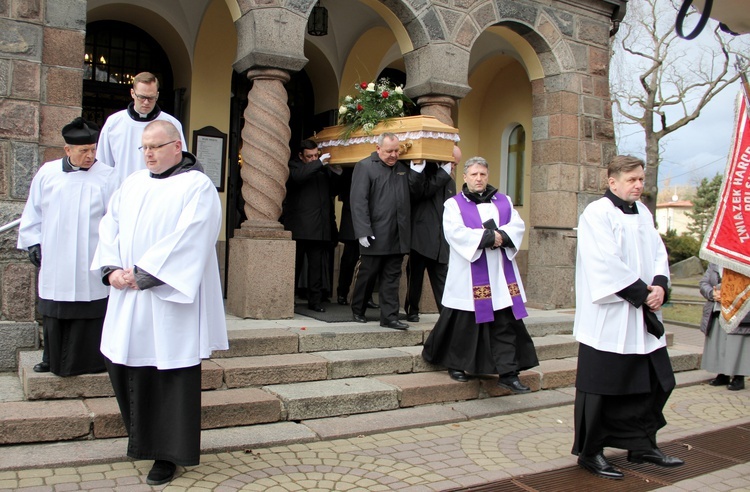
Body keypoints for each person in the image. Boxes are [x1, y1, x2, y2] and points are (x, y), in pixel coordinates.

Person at [91, 120, 228, 486]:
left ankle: (168, 455)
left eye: (155, 146)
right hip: (127, 297)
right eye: (144, 148)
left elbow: (193, 235)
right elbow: (110, 226)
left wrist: (145, 274)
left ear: (177, 145)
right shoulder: (132, 183)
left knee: (169, 374)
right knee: (126, 363)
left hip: (168, 301)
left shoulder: (197, 185)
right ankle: (142, 441)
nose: (148, 154)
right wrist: (110, 270)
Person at [572, 155, 683, 480]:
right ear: (613, 182)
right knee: (603, 387)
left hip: (643, 316)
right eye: (632, 179)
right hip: (612, 316)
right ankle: (591, 453)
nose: (638, 185)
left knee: (656, 382)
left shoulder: (644, 213)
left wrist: (661, 285)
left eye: (640, 179)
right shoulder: (597, 214)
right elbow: (604, 261)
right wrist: (641, 293)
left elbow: (658, 252)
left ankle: (642, 443)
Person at [422, 156, 538, 391]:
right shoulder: (454, 204)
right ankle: (456, 364)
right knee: (463, 323)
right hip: (468, 273)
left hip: (500, 275)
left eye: (482, 174)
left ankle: (508, 372)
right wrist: (488, 237)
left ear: (487, 176)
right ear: (465, 177)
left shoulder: (503, 201)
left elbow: (517, 226)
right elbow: (454, 233)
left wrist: (502, 237)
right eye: (474, 174)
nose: (478, 178)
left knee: (505, 322)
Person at [17, 117, 116, 376]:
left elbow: (115, 218)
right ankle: (50, 357)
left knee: (90, 307)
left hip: (90, 256)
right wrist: (32, 242)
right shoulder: (47, 173)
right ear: (67, 150)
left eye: (93, 149)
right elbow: (34, 210)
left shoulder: (107, 176)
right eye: (84, 151)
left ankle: (92, 360)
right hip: (56, 254)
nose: (90, 156)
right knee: (55, 309)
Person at [349, 132, 424, 329]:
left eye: (396, 151)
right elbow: (358, 201)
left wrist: (417, 170)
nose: (393, 155)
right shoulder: (365, 167)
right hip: (375, 233)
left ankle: (389, 317)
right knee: (368, 274)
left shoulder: (402, 169)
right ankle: (358, 308)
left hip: (397, 234)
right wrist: (362, 230)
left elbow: (415, 194)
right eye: (389, 151)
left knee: (392, 277)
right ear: (378, 149)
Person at [96, 71, 186, 186]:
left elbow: (180, 163)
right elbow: (103, 165)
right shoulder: (114, 123)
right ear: (132, 93)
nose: (146, 102)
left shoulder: (171, 124)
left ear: (157, 95)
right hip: (123, 191)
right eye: (142, 97)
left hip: (159, 191)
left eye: (151, 98)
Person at [282, 139, 340, 312]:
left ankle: (315, 301)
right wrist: (319, 164)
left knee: (316, 268)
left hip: (319, 227)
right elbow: (298, 177)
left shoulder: (321, 169)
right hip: (299, 227)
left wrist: (337, 173)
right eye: (310, 156)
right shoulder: (293, 166)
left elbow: (333, 192)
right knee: (295, 267)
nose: (314, 159)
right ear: (301, 156)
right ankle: (286, 301)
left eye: (316, 155)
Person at [404, 145, 460, 322]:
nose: (453, 168)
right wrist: (442, 173)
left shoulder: (449, 180)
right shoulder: (424, 171)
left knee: (442, 279)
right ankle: (412, 310)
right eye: (453, 163)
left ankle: (446, 315)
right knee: (415, 279)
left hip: (441, 239)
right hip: (420, 237)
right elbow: (422, 191)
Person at [699, 263, 748, 391]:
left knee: (736, 344)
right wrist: (712, 294)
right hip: (717, 309)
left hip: (737, 311)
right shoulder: (714, 264)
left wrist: (731, 295)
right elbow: (704, 283)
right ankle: (722, 374)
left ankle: (738, 377)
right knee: (718, 342)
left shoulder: (743, 261)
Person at [335, 167, 378, 311]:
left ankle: (367, 296)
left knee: (369, 263)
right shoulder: (352, 169)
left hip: (370, 220)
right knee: (349, 260)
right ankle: (342, 293)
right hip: (352, 220)